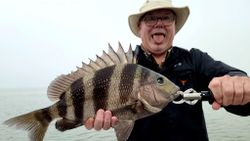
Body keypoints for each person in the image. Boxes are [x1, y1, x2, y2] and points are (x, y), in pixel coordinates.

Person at [84, 0, 250, 141]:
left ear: (174, 25)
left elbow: (243, 102)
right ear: (139, 27)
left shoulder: (194, 59)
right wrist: (104, 119)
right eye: (150, 18)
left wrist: (238, 83)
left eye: (166, 17)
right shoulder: (122, 67)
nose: (159, 23)